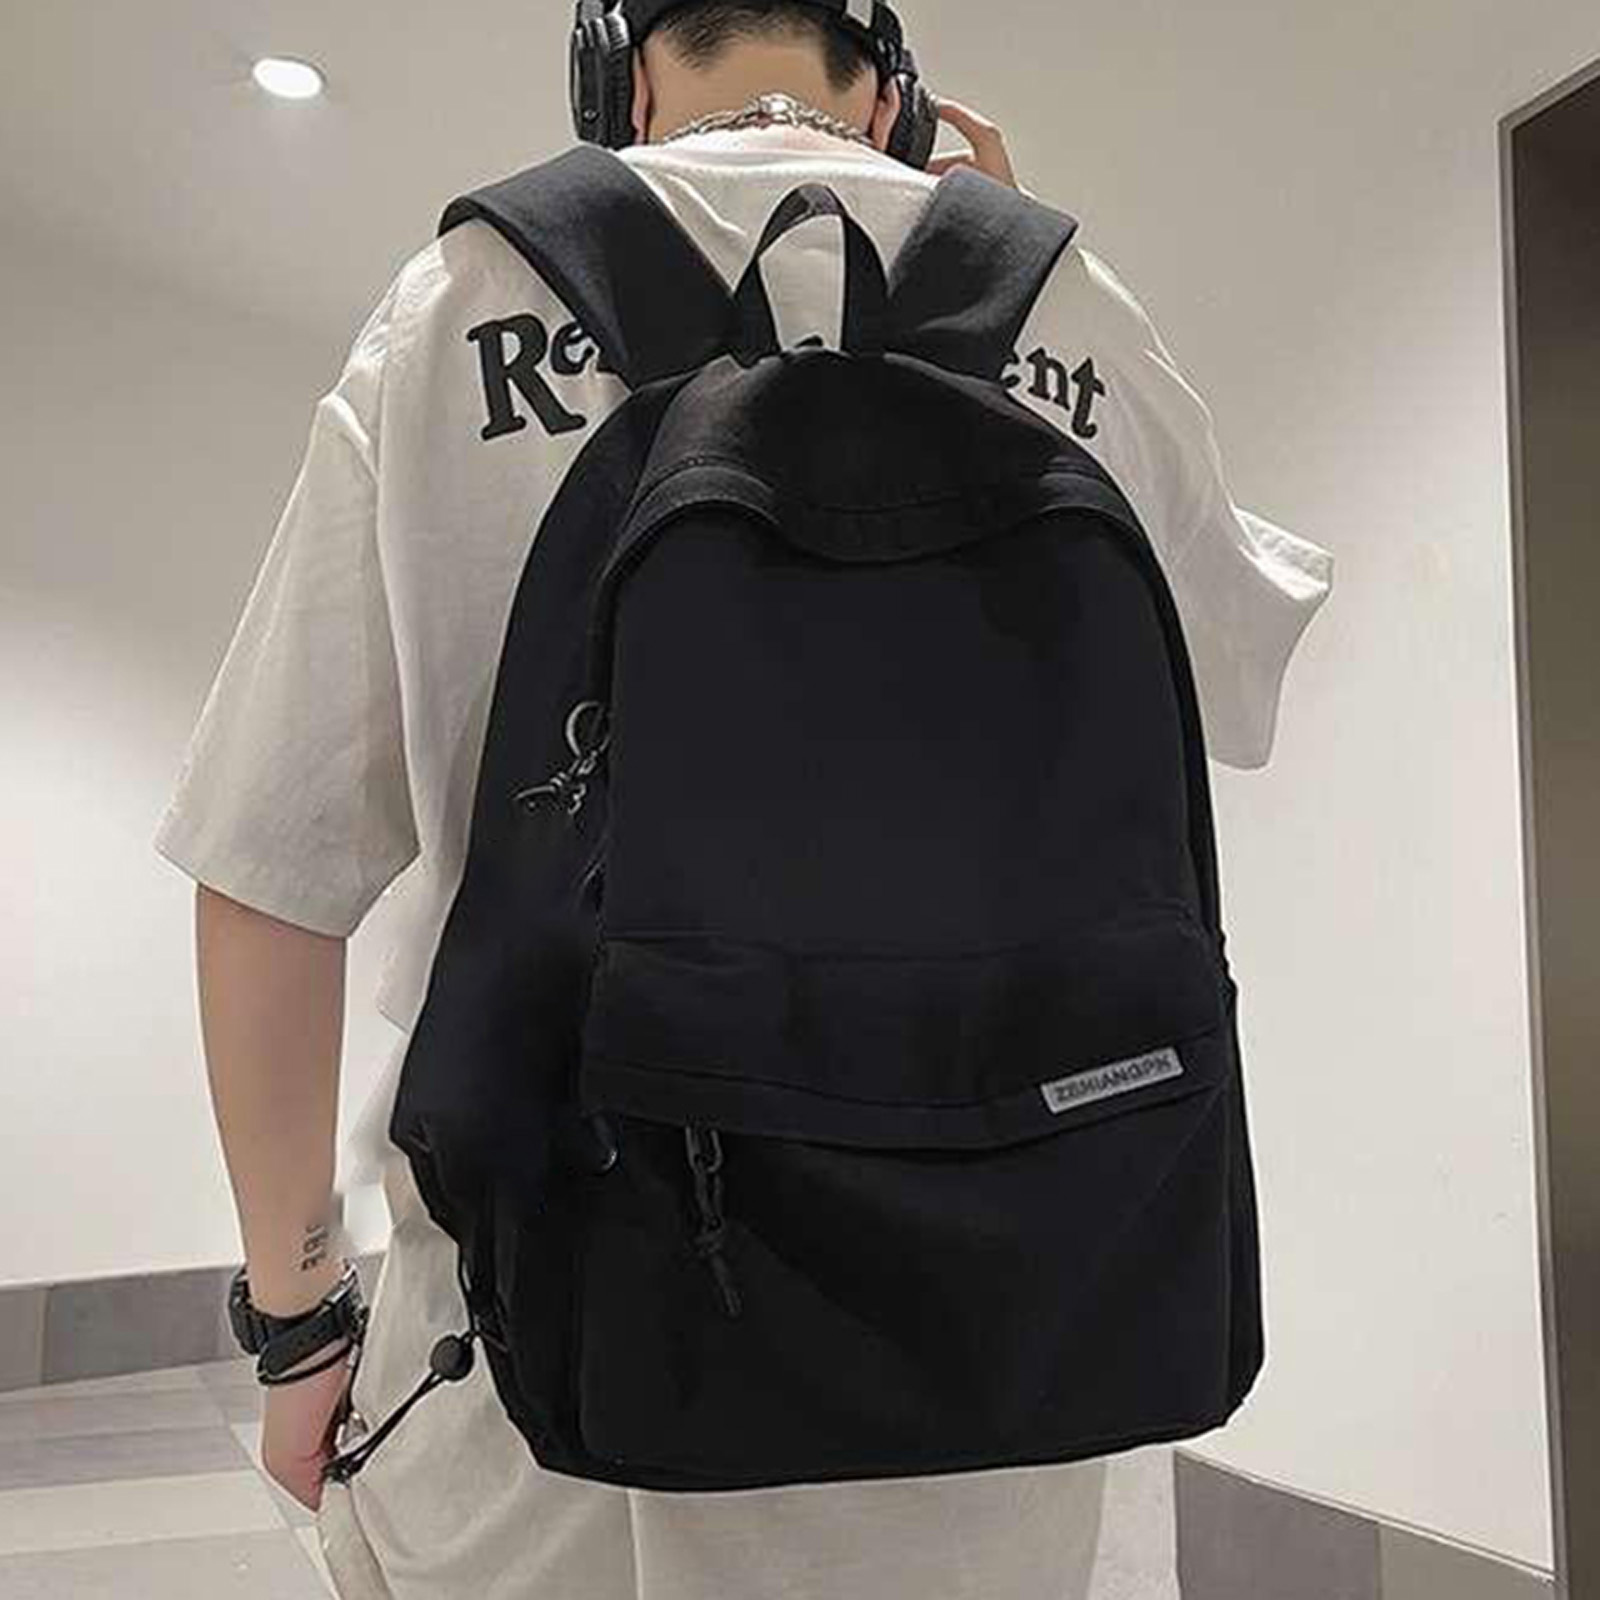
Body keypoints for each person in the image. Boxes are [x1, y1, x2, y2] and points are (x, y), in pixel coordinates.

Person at [152, 3, 1334, 1596]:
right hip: (1014, 1355)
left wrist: (297, 1324)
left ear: (621, 78)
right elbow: (1236, 680)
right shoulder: (1069, 301)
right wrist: (1025, 302)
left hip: (550, 1392)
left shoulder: (464, 303)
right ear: (894, 90)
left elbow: (268, 871)